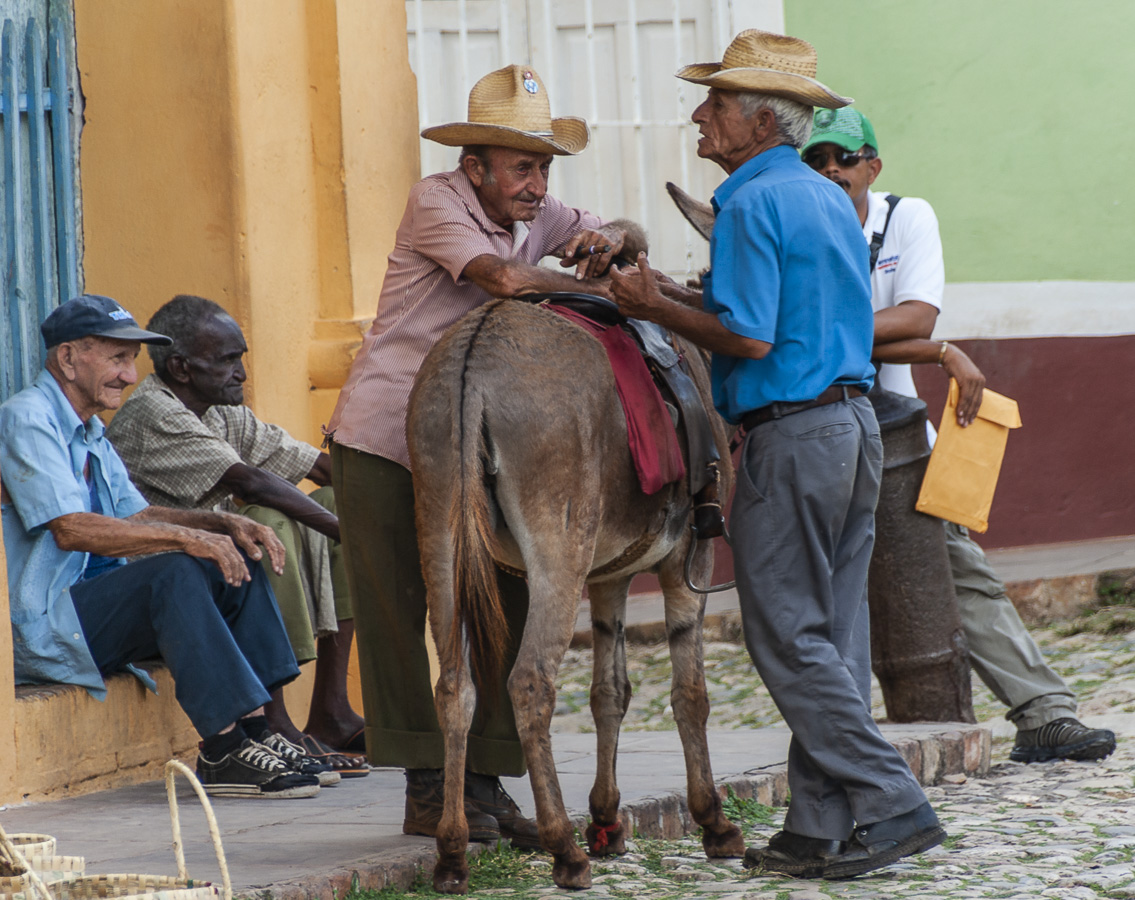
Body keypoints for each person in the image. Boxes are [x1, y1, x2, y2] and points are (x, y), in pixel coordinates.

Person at [609, 30, 945, 879]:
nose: (700, 115)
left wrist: (651, 305)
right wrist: (675, 295)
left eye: (716, 103)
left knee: (787, 638)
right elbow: (787, 311)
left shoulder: (751, 204)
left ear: (761, 121)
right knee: (829, 635)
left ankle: (891, 800)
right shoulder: (825, 196)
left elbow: (750, 337)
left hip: (791, 436)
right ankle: (816, 823)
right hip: (853, 426)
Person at [324, 63, 633, 848]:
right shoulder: (436, 200)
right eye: (523, 167)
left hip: (485, 445)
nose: (538, 186)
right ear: (474, 167)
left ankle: (487, 781)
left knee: (506, 602)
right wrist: (599, 291)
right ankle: (428, 786)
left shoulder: (535, 207)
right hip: (387, 439)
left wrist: (610, 239)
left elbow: (616, 230)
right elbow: (501, 278)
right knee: (400, 612)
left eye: (545, 169)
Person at [800, 107, 1117, 765]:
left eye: (844, 158)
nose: (831, 170)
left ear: (872, 166)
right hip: (812, 434)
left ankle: (1044, 713)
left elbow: (915, 314)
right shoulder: (798, 226)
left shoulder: (905, 218)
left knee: (958, 569)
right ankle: (838, 741)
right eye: (817, 159)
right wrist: (934, 350)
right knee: (818, 590)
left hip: (897, 436)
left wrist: (891, 338)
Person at [0, 294, 324, 798]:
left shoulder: (90, 430)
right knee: (174, 571)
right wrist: (187, 537)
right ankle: (222, 749)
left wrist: (218, 525)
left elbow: (136, 514)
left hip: (91, 612)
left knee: (236, 551)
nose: (130, 376)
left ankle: (259, 731)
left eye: (131, 361)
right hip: (45, 626)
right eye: (118, 359)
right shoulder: (28, 418)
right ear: (67, 358)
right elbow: (70, 528)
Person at [106, 295, 368, 779]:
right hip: (172, 596)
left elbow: (313, 465)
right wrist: (355, 537)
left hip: (218, 580)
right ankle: (275, 721)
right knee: (269, 522)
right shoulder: (154, 413)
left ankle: (331, 709)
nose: (242, 373)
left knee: (338, 505)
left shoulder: (221, 411)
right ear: (181, 368)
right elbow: (251, 482)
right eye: (228, 360)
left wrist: (402, 508)